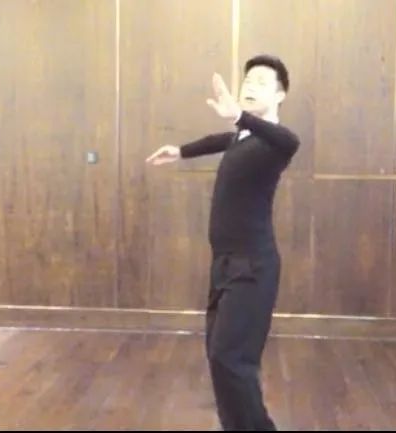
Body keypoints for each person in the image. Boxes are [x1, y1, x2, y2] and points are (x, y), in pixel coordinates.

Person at [146, 54, 299, 431]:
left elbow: (289, 140)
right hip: (226, 263)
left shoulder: (275, 143)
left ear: (280, 95)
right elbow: (223, 140)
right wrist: (181, 151)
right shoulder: (244, 138)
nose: (250, 86)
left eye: (261, 82)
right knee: (219, 356)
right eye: (247, 80)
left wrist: (239, 115)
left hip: (254, 266)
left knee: (232, 359)